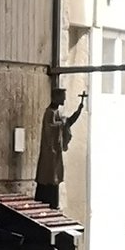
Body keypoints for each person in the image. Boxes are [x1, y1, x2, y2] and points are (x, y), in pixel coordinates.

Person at [35, 79, 85, 209]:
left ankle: (53, 203)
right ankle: (47, 203)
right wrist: (62, 123)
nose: (64, 100)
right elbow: (51, 127)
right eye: (63, 97)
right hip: (49, 152)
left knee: (54, 178)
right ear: (56, 97)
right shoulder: (49, 113)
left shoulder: (57, 113)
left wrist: (78, 112)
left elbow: (66, 123)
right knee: (48, 178)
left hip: (55, 152)